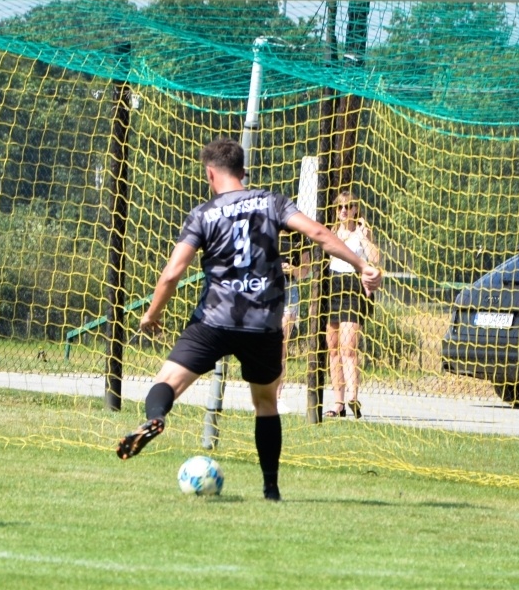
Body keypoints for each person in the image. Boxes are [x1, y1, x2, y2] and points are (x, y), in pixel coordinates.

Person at [115, 139, 380, 501]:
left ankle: (156, 417)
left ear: (210, 173)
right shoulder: (272, 202)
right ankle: (271, 488)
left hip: (214, 320)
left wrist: (151, 314)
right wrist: (362, 265)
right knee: (266, 405)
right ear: (244, 171)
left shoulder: (203, 214)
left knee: (168, 382)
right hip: (263, 323)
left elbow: (173, 273)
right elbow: (319, 234)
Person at [321, 188, 380, 418]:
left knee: (349, 347)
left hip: (352, 288)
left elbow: (375, 260)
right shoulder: (332, 232)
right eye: (340, 207)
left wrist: (366, 238)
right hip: (333, 287)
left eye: (349, 206)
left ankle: (353, 397)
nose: (345, 211)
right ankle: (338, 403)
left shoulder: (361, 233)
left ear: (356, 209)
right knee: (333, 347)